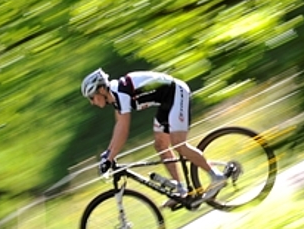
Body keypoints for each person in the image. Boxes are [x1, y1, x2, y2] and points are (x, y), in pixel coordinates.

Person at [81, 68, 226, 207]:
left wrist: (110, 158)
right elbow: (119, 126)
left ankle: (217, 176)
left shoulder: (121, 92)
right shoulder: (115, 97)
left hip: (176, 93)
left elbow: (124, 130)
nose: (92, 102)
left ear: (101, 90)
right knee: (160, 144)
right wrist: (108, 154)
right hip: (165, 102)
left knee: (178, 144)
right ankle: (181, 191)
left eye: (92, 97)